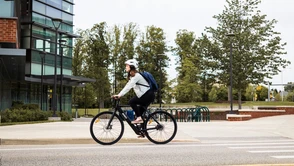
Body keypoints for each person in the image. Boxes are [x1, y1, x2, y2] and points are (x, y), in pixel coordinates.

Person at [112, 59, 155, 124]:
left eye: (127, 65)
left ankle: (139, 119)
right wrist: (119, 94)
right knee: (139, 113)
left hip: (147, 95)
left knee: (131, 102)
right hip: (148, 95)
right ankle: (143, 132)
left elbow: (129, 87)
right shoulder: (134, 77)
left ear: (131, 67)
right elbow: (128, 85)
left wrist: (119, 95)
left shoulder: (136, 76)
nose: (125, 67)